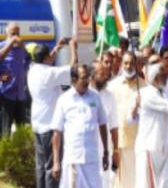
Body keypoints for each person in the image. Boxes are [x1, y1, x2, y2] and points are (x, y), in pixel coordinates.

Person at [28, 39, 77, 188]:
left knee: (41, 167)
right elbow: (74, 69)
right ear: (46, 58)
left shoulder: (32, 69)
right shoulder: (49, 73)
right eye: (49, 55)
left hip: (37, 124)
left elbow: (46, 59)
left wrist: (57, 48)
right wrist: (73, 48)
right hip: (49, 126)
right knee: (52, 168)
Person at [50, 64, 109, 188]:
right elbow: (57, 133)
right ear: (74, 80)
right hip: (73, 158)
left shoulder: (95, 96)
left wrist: (106, 152)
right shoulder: (64, 100)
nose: (87, 81)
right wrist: (56, 162)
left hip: (92, 158)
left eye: (87, 77)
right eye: (83, 78)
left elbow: (103, 124)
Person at [108, 52, 143, 188]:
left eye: (131, 63)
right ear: (121, 64)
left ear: (137, 65)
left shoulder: (144, 87)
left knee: (137, 182)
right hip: (118, 142)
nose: (128, 66)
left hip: (138, 142)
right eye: (126, 63)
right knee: (119, 183)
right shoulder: (112, 86)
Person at [90, 57, 119, 188]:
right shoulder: (85, 95)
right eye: (102, 74)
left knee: (105, 182)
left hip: (105, 150)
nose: (105, 76)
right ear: (92, 76)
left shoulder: (110, 96)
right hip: (87, 149)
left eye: (106, 74)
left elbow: (114, 126)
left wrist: (115, 151)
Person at [0, 22, 29, 136]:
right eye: (13, 33)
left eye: (18, 33)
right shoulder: (2, 46)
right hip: (6, 94)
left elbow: (29, 59)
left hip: (20, 95)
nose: (16, 36)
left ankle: (21, 153)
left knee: (22, 129)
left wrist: (23, 71)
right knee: (5, 130)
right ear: (7, 33)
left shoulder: (21, 48)